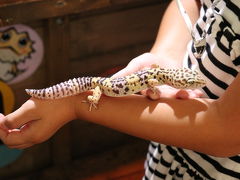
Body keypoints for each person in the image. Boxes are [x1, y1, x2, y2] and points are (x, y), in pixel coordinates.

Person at [1, 0, 240, 179]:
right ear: (177, 81)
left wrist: (74, 104)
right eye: (189, 81)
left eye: (190, 82)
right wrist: (163, 55)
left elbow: (228, 131)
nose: (193, 83)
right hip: (167, 156)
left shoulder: (157, 79)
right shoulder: (158, 77)